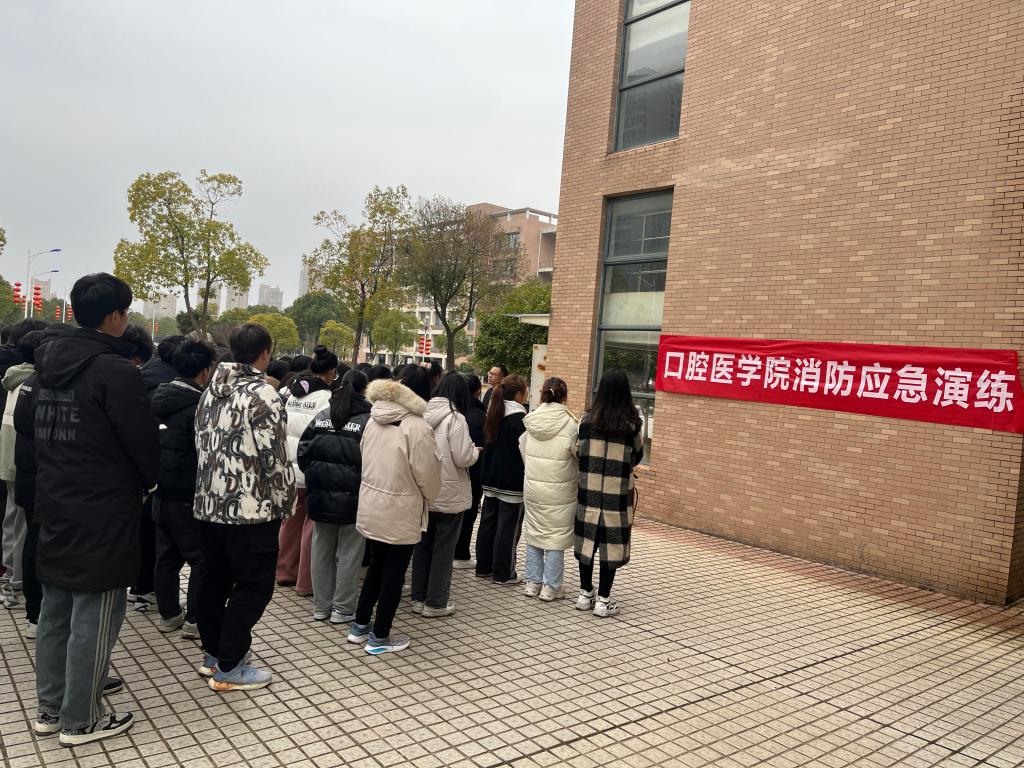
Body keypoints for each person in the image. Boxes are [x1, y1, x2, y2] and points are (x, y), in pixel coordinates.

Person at [31, 273, 160, 746]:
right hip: (104, 508)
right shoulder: (115, 372)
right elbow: (142, 442)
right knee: (96, 614)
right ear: (113, 317)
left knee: (56, 609)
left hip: (55, 500)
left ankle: (50, 708)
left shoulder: (44, 366)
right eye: (124, 312)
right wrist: (148, 482)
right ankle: (81, 719)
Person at [193, 323, 296, 691]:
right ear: (265, 353)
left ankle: (213, 653)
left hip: (209, 503)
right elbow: (275, 458)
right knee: (254, 585)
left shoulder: (210, 391)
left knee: (214, 580)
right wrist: (285, 502)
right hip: (251, 509)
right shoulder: (263, 395)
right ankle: (230, 664)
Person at [348, 366, 440, 654]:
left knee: (377, 566)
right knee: (394, 573)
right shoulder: (418, 426)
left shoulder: (374, 418)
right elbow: (428, 475)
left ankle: (360, 625)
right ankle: (380, 637)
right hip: (401, 509)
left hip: (372, 504)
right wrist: (430, 498)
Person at [150, 339, 215, 639]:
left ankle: (169, 614)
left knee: (166, 557)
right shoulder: (199, 406)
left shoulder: (157, 396)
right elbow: (205, 452)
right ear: (204, 371)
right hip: (188, 494)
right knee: (201, 558)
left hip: (160, 490)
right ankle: (195, 620)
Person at [297, 369, 370, 624]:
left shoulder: (322, 416)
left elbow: (303, 453)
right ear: (364, 390)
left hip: (320, 496)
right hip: (354, 498)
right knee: (350, 554)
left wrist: (316, 478)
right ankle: (343, 609)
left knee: (321, 550)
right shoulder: (367, 420)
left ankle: (321, 606)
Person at [574, 370, 644, 618]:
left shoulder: (586, 421)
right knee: (610, 547)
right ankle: (603, 600)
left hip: (589, 493)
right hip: (617, 497)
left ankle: (585, 594)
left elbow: (578, 451)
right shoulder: (632, 425)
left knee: (587, 544)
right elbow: (637, 456)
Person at [412, 373, 478, 617]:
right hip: (449, 494)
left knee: (422, 546)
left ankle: (418, 598)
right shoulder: (455, 418)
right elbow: (463, 457)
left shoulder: (420, 413)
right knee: (443, 550)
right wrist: (475, 452)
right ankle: (436, 602)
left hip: (424, 491)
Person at [277, 345, 337, 596]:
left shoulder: (291, 394)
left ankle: (284, 571)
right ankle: (305, 582)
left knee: (290, 521)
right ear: (332, 372)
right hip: (312, 469)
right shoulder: (327, 399)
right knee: (312, 527)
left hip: (289, 468)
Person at [0, 318, 47, 609]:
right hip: (23, 461)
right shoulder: (35, 382)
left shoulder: (13, 377)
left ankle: (9, 575)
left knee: (12, 518)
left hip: (8, 456)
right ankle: (16, 582)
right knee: (22, 526)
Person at [519, 377, 578, 601]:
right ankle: (551, 587)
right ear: (564, 396)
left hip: (533, 487)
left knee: (535, 533)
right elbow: (578, 455)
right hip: (561, 490)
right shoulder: (571, 424)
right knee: (556, 538)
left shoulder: (531, 419)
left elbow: (523, 447)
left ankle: (532, 583)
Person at [121, 323, 160, 611]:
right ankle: (141, 588)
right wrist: (150, 481)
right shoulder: (126, 380)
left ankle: (137, 588)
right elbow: (138, 436)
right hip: (123, 481)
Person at [12, 330, 48, 637]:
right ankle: (37, 614)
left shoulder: (26, 383)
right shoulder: (43, 385)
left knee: (31, 544)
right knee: (39, 547)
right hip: (39, 478)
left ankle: (34, 614)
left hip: (26, 474)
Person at [476, 374, 528, 584]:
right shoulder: (519, 419)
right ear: (518, 394)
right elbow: (525, 453)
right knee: (507, 528)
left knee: (487, 524)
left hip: (490, 478)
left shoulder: (493, 412)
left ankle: (483, 567)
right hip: (511, 482)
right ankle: (503, 573)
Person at [453, 374, 486, 569]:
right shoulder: (479, 416)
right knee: (468, 512)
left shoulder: (454, 412)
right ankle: (461, 553)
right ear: (477, 391)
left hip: (448, 474)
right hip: (472, 472)